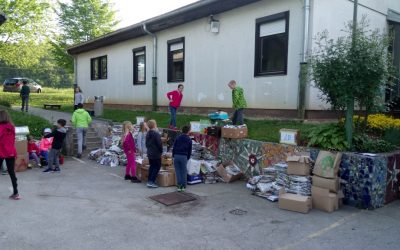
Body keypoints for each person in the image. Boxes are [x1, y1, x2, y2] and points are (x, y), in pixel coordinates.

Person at [0, 110, 21, 200]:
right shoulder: (12, 127)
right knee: (11, 173)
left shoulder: (1, 127)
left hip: (1, 151)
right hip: (11, 152)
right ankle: (16, 193)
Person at [172, 125, 192, 192]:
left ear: (182, 130)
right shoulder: (189, 139)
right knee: (183, 171)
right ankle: (183, 186)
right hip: (184, 156)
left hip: (176, 155)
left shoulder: (178, 138)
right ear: (188, 131)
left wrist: (173, 155)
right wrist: (188, 157)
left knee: (177, 171)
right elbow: (190, 150)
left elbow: (174, 147)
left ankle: (179, 185)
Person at [145, 119, 162, 188]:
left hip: (150, 152)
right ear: (154, 125)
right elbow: (159, 144)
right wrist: (161, 151)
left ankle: (149, 180)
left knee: (152, 166)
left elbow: (146, 144)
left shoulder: (148, 133)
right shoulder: (156, 134)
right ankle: (151, 181)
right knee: (157, 167)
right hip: (156, 153)